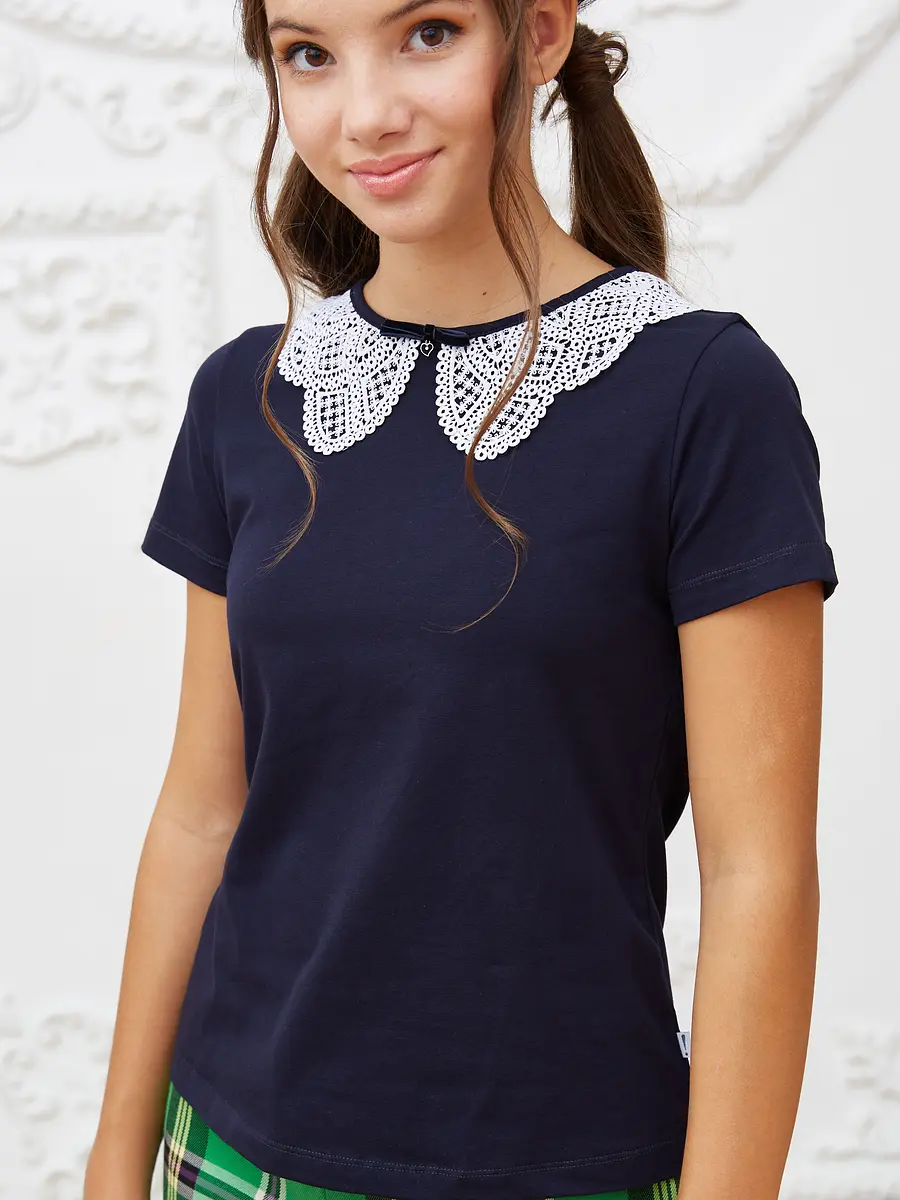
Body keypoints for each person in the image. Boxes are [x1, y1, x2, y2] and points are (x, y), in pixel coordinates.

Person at [84, 1, 839, 1199]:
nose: (366, 113)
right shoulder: (245, 397)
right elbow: (200, 814)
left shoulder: (705, 396)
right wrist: (114, 1159)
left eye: (427, 32)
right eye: (308, 55)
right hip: (227, 1152)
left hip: (563, 1163)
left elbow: (759, 876)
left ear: (539, 32)